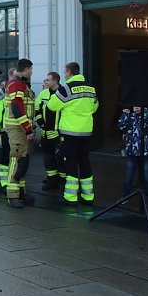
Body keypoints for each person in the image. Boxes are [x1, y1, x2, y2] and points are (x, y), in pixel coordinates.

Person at [47, 62, 99, 206]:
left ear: (69, 72)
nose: (64, 74)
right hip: (86, 132)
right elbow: (95, 107)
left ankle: (71, 197)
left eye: (65, 72)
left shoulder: (66, 89)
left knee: (71, 162)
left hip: (69, 133)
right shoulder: (91, 88)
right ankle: (88, 196)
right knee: (85, 161)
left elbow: (52, 105)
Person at [3, 59, 36, 208]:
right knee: (17, 160)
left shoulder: (19, 84)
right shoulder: (16, 84)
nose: (32, 73)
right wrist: (28, 128)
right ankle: (12, 196)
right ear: (27, 69)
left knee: (23, 160)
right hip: (18, 128)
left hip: (21, 127)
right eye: (31, 70)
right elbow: (17, 108)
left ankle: (21, 192)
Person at [118, 106, 148, 198]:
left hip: (145, 150)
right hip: (132, 150)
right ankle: (125, 196)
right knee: (129, 175)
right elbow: (121, 126)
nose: (136, 108)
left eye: (138, 106)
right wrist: (125, 114)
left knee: (147, 175)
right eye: (134, 106)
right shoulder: (130, 115)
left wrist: (146, 113)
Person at [34, 72, 65, 191]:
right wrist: (41, 123)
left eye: (48, 80)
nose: (46, 82)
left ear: (55, 81)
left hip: (59, 134)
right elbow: (37, 110)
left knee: (62, 159)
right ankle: (52, 181)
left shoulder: (63, 93)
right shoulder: (43, 94)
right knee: (48, 159)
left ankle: (63, 181)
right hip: (45, 133)